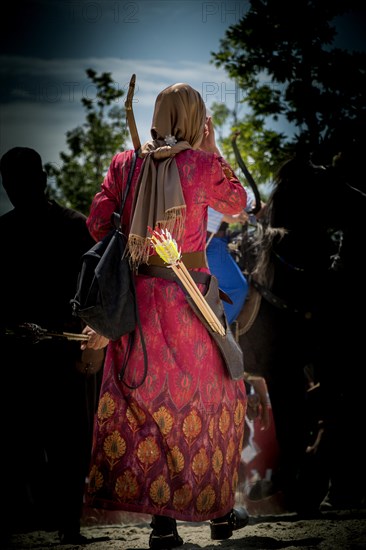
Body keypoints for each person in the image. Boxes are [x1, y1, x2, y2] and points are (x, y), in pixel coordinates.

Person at [83, 83, 249, 548]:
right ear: (196, 121)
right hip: (189, 304)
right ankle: (217, 512)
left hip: (135, 305)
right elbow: (238, 206)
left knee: (148, 408)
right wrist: (212, 150)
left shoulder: (124, 162)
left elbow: (97, 223)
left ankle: (163, 525)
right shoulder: (202, 165)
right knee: (216, 403)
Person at [0, 147, 107, 546]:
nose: (16, 190)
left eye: (23, 182)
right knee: (25, 440)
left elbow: (94, 293)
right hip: (17, 358)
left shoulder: (76, 227)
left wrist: (91, 344)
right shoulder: (4, 232)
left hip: (67, 355)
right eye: (10, 184)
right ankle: (50, 518)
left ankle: (69, 523)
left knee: (71, 440)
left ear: (42, 181)